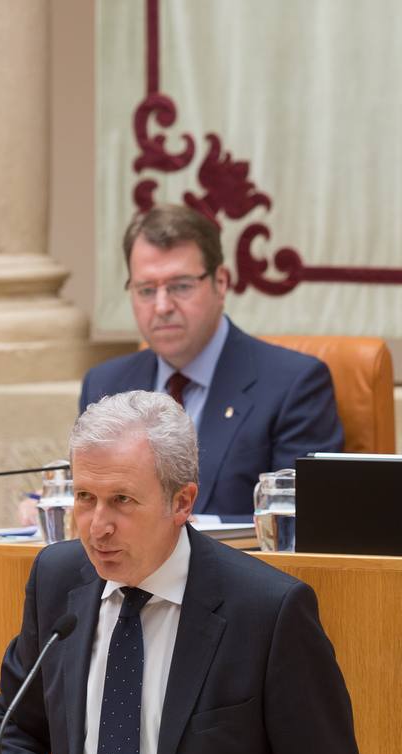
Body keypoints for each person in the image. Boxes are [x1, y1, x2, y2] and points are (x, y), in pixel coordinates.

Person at [0, 390, 365, 754]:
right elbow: (14, 727)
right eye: (85, 497)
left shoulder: (269, 613)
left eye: (122, 500)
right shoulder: (57, 580)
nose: (98, 526)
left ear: (181, 503)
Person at [80, 204, 343, 519]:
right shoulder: (106, 385)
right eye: (146, 290)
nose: (162, 306)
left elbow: (304, 520)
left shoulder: (294, 384)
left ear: (221, 282)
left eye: (180, 286)